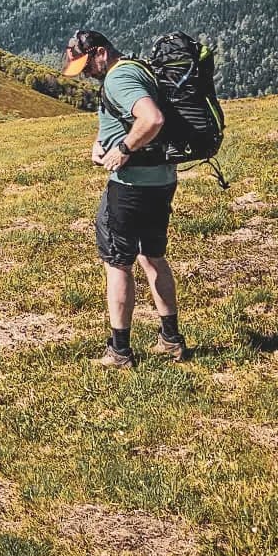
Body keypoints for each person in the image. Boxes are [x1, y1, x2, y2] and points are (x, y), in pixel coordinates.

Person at [63, 29, 188, 368]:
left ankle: (119, 351)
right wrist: (105, 142)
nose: (87, 75)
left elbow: (152, 118)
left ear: (100, 53)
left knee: (118, 264)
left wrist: (122, 149)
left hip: (132, 185)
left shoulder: (118, 79)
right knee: (153, 257)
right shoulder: (137, 68)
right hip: (161, 178)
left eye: (87, 66)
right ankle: (171, 340)